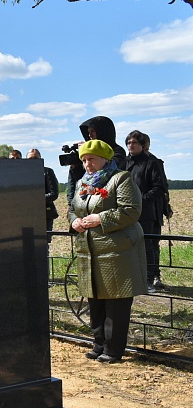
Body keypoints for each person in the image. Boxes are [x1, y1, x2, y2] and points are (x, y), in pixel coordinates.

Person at [69, 139, 147, 364]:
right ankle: (98, 344)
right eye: (84, 160)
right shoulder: (82, 183)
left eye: (91, 159)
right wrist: (74, 221)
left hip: (117, 253)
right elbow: (72, 209)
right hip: (90, 253)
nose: (87, 164)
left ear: (105, 158)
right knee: (95, 300)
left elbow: (132, 210)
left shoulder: (120, 179)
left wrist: (100, 218)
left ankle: (113, 349)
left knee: (116, 302)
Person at [125, 130, 166, 292]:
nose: (131, 145)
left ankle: (149, 281)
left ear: (142, 145)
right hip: (126, 212)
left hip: (146, 213)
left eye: (134, 142)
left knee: (147, 246)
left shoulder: (151, 163)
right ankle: (132, 279)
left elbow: (159, 187)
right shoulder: (124, 164)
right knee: (128, 245)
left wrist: (142, 201)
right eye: (128, 142)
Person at [67, 116, 127, 204]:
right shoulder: (86, 156)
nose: (90, 135)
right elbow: (81, 180)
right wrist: (75, 167)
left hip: (110, 198)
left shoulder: (117, 151)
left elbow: (108, 170)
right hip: (89, 199)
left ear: (103, 132)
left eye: (93, 131)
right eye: (88, 132)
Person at [27, 149, 59, 232]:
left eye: (36, 158)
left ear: (41, 159)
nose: (33, 161)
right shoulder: (23, 174)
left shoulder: (47, 172)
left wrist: (36, 199)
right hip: (27, 214)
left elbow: (54, 193)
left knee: (44, 241)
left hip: (44, 213)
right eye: (30, 159)